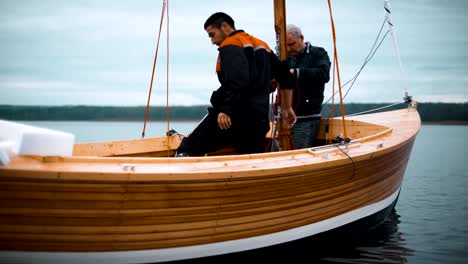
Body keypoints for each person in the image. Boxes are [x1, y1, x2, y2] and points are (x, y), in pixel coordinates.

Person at [175, 12, 275, 157]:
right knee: (249, 157)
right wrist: (287, 109)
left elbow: (237, 79)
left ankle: (180, 171)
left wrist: (226, 109)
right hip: (259, 121)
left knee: (187, 148)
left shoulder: (231, 44)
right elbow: (284, 75)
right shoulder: (262, 46)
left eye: (212, 34)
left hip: (235, 117)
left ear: (225, 27)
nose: (212, 41)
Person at [278, 24, 331, 149]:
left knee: (298, 156)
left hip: (306, 118)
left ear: (301, 38)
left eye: (291, 44)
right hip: (282, 119)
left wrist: (296, 73)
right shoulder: (282, 57)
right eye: (285, 45)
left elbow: (324, 74)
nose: (288, 48)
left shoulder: (318, 53)